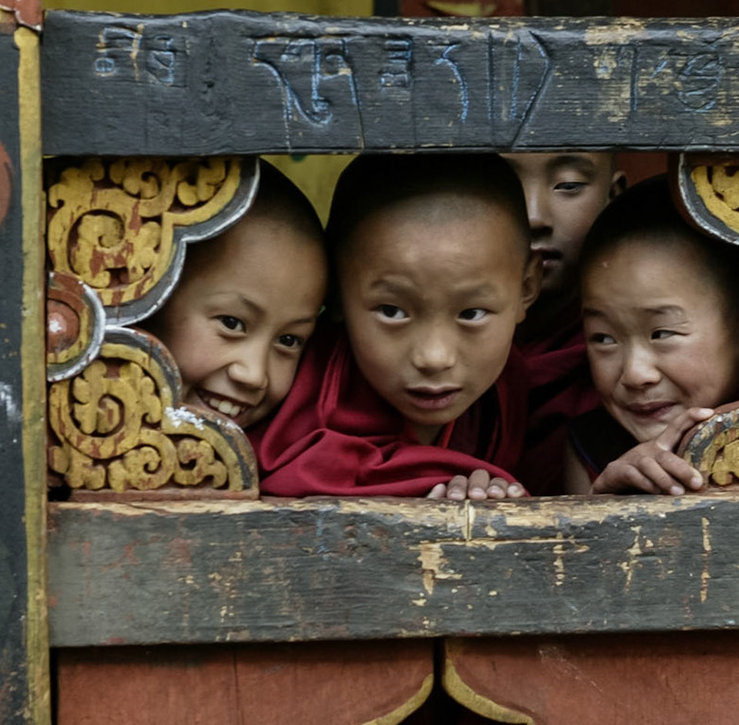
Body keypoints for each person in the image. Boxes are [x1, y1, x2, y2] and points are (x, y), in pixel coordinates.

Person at [251, 153, 543, 499]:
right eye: (392, 311)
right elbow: (290, 472)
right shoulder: (307, 384)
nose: (434, 357)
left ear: (527, 288)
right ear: (337, 290)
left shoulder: (507, 388)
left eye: (471, 314)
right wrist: (454, 481)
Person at [563, 178, 739, 495]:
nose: (635, 374)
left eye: (661, 333)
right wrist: (602, 501)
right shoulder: (590, 444)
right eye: (604, 339)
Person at [146, 163, 327, 432]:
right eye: (231, 323)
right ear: (153, 298)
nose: (254, 375)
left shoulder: (284, 459)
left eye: (288, 340)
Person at [502, 152, 627, 494]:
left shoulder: (633, 363)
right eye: (503, 184)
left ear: (613, 197)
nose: (534, 216)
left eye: (569, 185)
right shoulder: (429, 354)